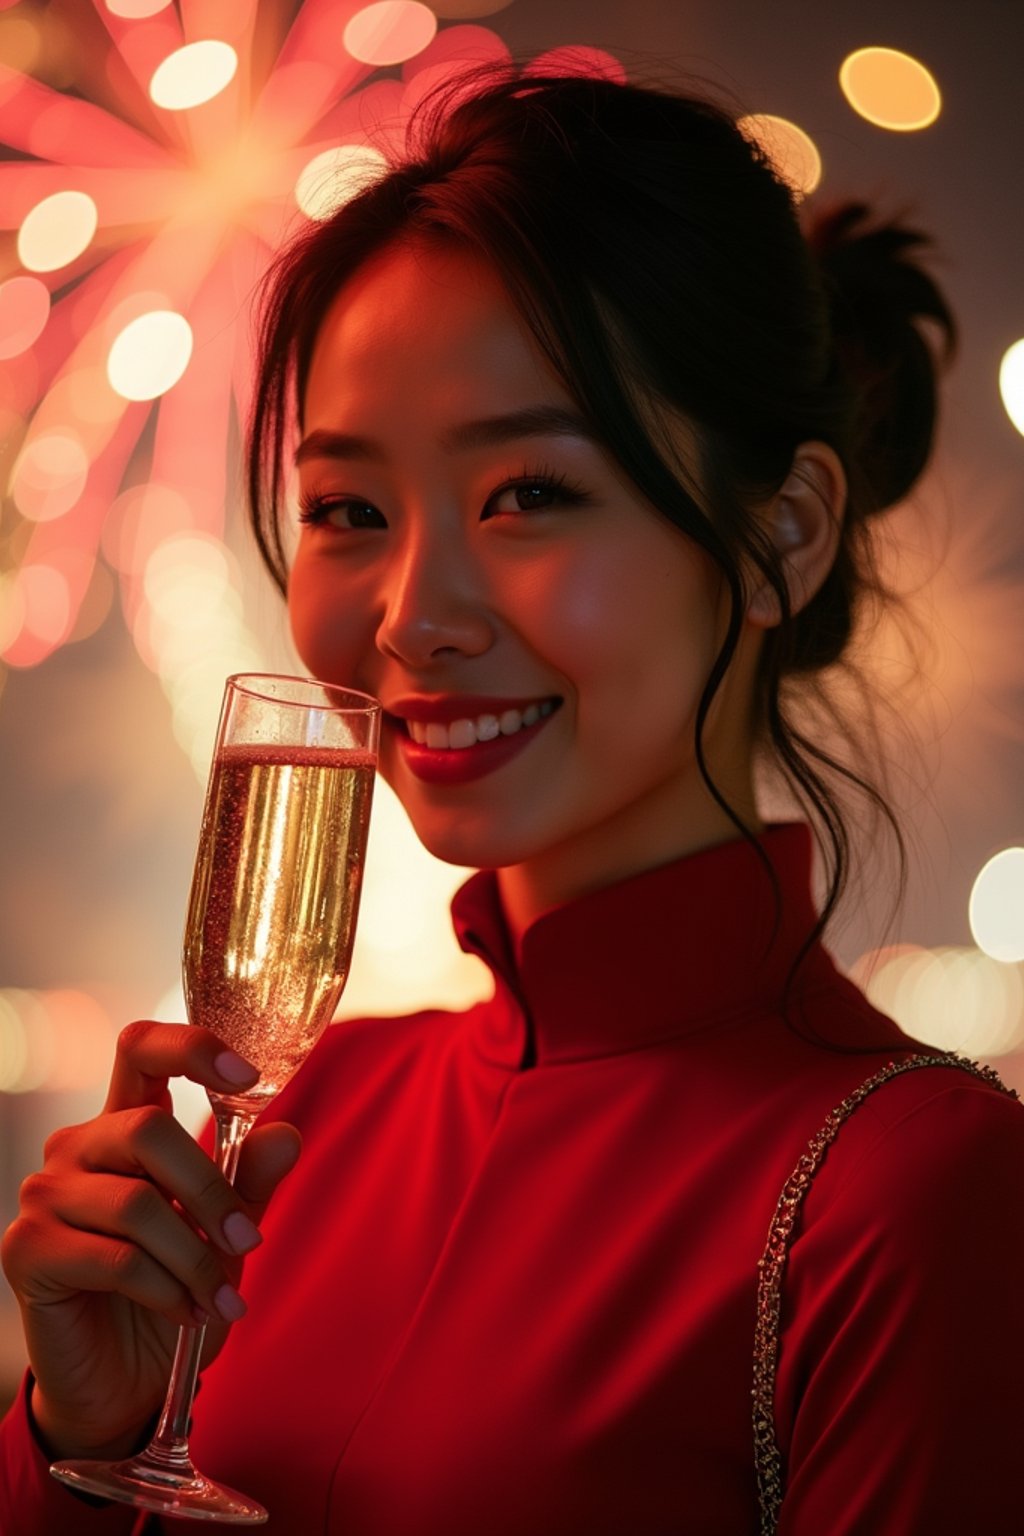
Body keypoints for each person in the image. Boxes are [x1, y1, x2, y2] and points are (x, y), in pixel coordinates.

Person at [2, 67, 1023, 1536]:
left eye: (530, 495)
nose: (416, 615)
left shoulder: (909, 1195)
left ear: (781, 536)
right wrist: (74, 1441)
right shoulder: (313, 1121)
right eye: (349, 511)